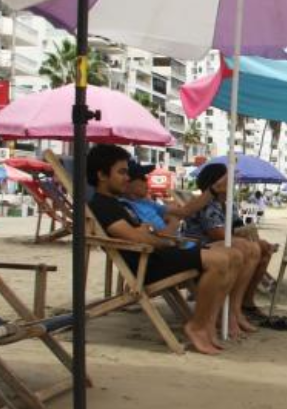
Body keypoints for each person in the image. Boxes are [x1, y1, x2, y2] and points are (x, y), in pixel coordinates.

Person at [86, 144, 239, 355]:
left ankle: (208, 324)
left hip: (157, 256)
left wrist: (149, 233)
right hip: (147, 265)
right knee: (219, 261)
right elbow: (138, 238)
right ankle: (197, 326)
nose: (127, 178)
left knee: (231, 256)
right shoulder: (103, 205)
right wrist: (155, 237)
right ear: (102, 175)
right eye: (121, 172)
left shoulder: (116, 204)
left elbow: (148, 231)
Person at [185, 163, 276, 322]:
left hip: (221, 245)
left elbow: (238, 226)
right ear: (217, 182)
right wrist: (246, 238)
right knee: (252, 248)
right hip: (204, 249)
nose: (232, 182)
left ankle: (246, 302)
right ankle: (236, 307)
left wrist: (254, 238)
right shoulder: (206, 204)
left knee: (263, 250)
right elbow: (217, 234)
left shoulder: (227, 204)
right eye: (229, 179)